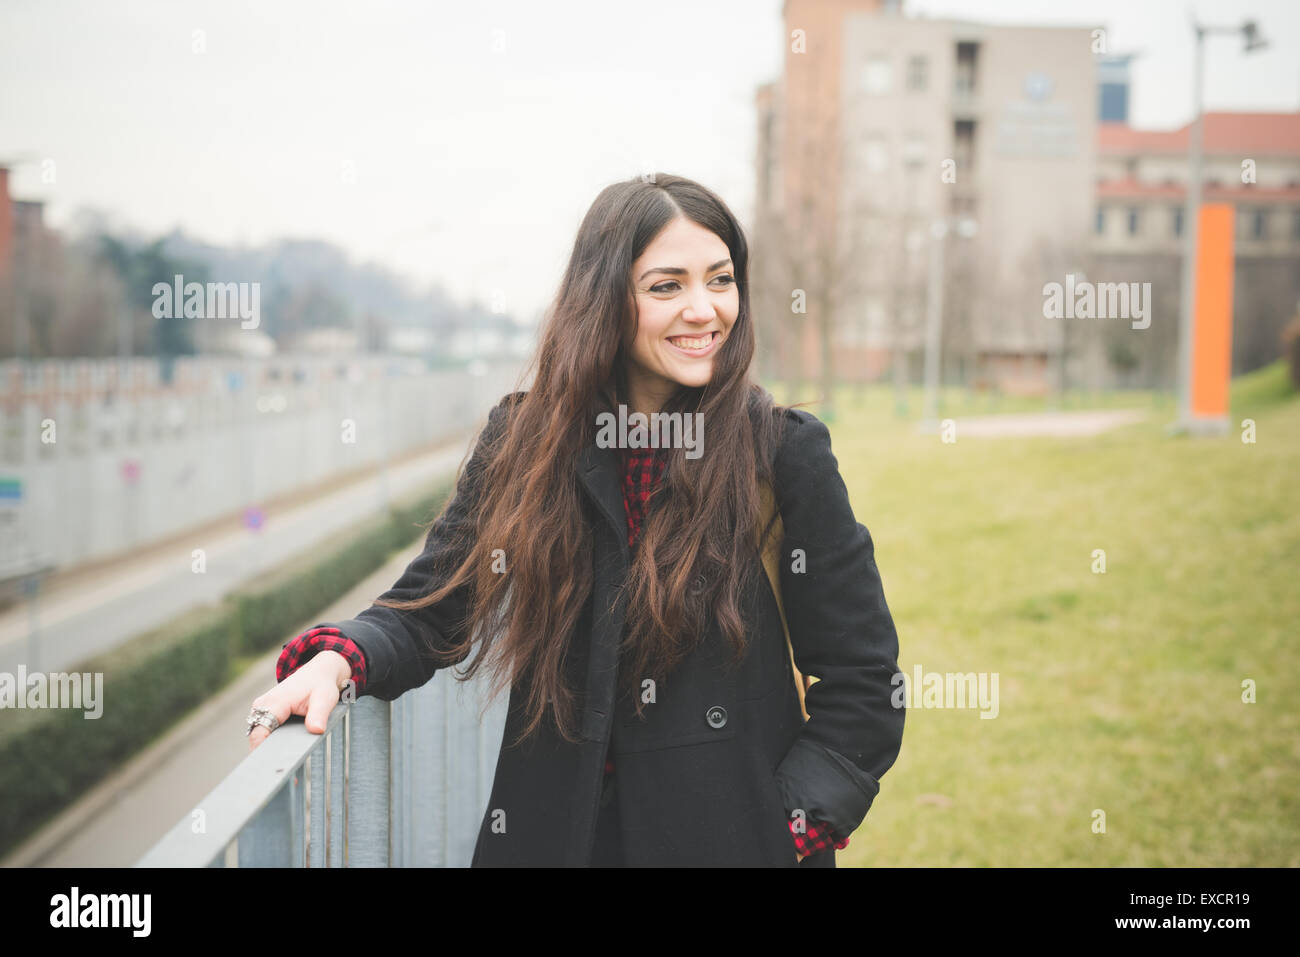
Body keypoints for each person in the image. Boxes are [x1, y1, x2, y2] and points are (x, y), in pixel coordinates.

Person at [247, 173, 905, 867]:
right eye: (666, 286)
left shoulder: (782, 453)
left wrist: (783, 830)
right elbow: (430, 609)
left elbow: (864, 685)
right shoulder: (526, 442)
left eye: (721, 279)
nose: (704, 309)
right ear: (605, 300)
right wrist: (336, 661)